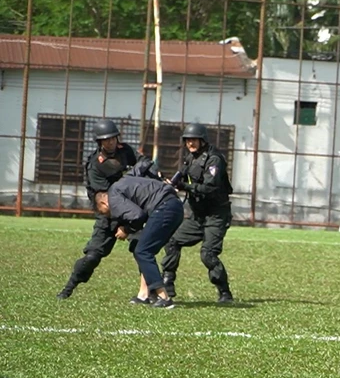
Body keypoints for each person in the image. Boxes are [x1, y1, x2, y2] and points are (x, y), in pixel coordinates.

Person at [57, 119, 143, 300]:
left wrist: (143, 169)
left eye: (113, 138)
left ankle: (152, 293)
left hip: (133, 211)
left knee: (143, 250)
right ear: (99, 142)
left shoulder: (126, 151)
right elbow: (105, 201)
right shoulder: (96, 164)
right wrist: (124, 225)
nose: (111, 142)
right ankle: (68, 288)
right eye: (106, 140)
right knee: (92, 257)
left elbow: (143, 162)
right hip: (110, 214)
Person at [160, 123, 235, 303]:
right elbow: (181, 174)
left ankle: (225, 292)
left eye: (193, 140)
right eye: (187, 140)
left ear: (202, 140)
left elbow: (209, 187)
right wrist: (170, 184)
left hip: (216, 215)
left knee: (207, 253)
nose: (190, 143)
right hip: (197, 216)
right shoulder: (191, 158)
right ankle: (167, 283)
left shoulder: (214, 159)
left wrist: (183, 186)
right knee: (172, 240)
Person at [93, 173, 185, 309]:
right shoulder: (123, 184)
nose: (108, 215)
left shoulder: (113, 196)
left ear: (103, 202)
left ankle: (163, 297)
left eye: (103, 212)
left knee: (142, 251)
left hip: (164, 207)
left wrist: (126, 229)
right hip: (175, 207)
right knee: (146, 251)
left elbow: (137, 216)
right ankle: (144, 295)